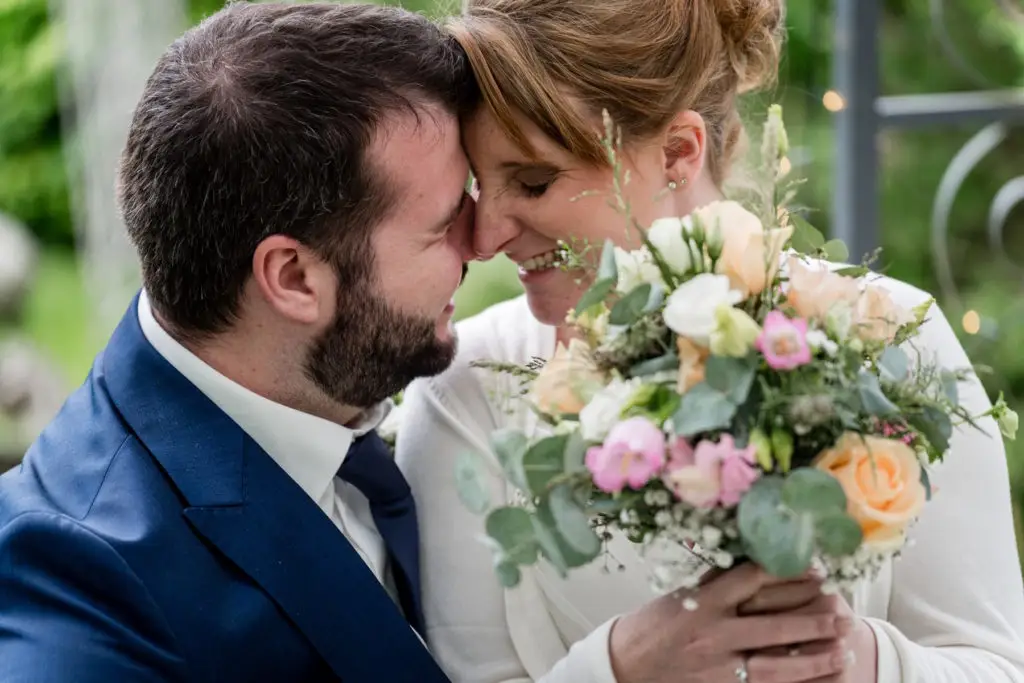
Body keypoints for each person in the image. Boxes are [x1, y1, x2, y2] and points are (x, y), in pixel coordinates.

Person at [395, 0, 1024, 682]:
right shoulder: (466, 388)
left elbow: (993, 664)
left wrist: (861, 661)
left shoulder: (890, 333)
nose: (484, 239)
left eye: (535, 180)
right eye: (479, 188)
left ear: (677, 152)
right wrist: (621, 668)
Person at [0, 4, 477, 682]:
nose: (482, 242)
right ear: (292, 277)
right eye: (444, 224)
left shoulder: (332, 385)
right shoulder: (78, 585)